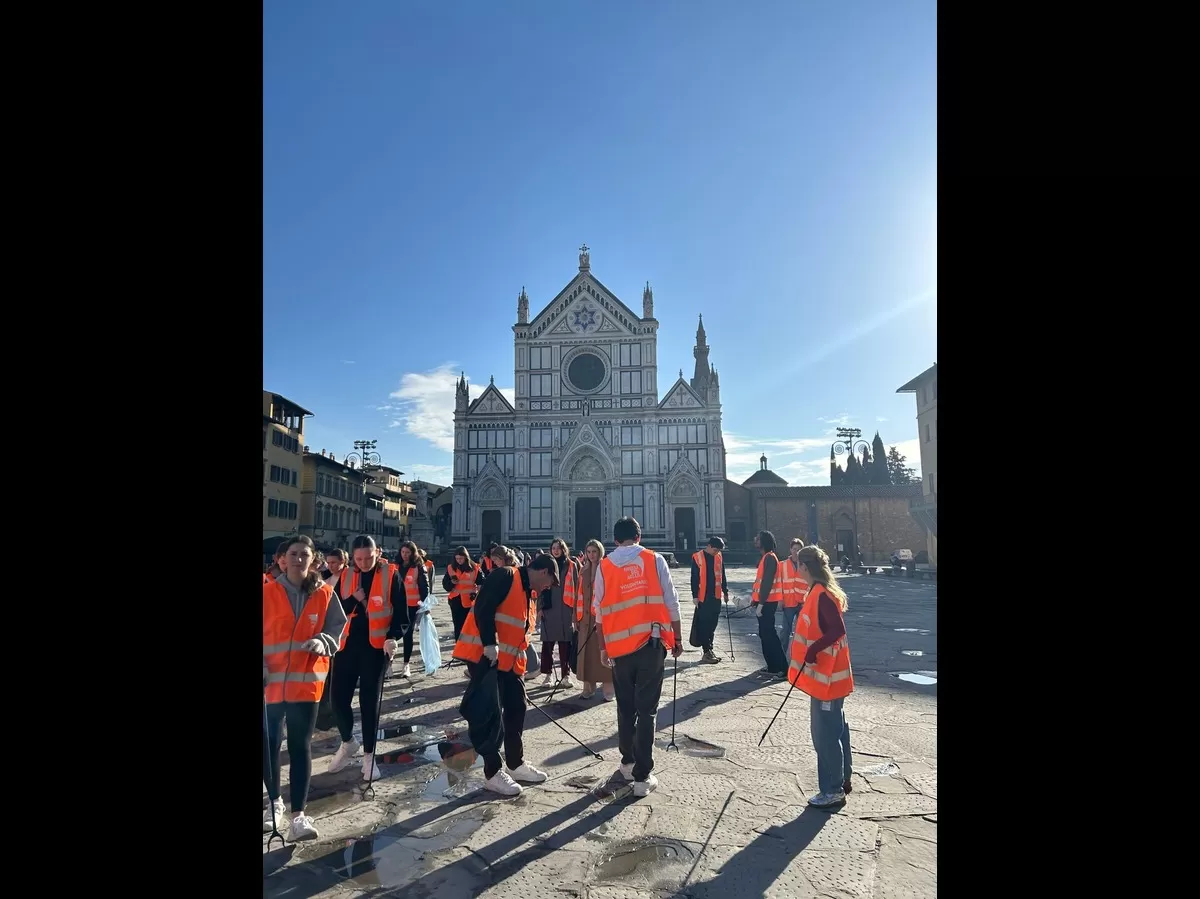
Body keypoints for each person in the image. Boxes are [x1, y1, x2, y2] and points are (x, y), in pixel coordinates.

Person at [263, 534, 348, 841]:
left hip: (305, 685)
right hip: (269, 685)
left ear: (314, 560)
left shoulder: (325, 593)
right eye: (294, 553)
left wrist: (324, 642)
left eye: (305, 554)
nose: (299, 559)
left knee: (300, 747)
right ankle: (273, 803)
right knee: (269, 745)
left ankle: (299, 816)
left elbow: (336, 628)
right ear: (282, 560)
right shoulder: (266, 592)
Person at [451, 548, 556, 796]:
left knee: (517, 707)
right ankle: (492, 773)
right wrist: (489, 643)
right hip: (485, 657)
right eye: (551, 581)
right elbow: (483, 609)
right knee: (490, 716)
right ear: (543, 572)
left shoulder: (528, 592)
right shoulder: (506, 576)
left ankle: (515, 763)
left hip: (509, 663)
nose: (548, 587)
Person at [594, 517, 683, 797]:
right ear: (639, 535)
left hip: (619, 648)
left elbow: (599, 611)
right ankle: (642, 778)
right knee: (647, 710)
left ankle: (627, 761)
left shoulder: (604, 566)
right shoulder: (655, 560)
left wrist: (603, 647)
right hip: (650, 645)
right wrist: (678, 638)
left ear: (615, 539)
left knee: (625, 706)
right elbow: (671, 601)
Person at [326, 535, 410, 781]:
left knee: (369, 702)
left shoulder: (390, 574)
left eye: (369, 558)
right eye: (359, 559)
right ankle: (347, 742)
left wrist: (394, 636)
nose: (364, 563)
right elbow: (335, 607)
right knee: (337, 700)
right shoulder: (345, 575)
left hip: (376, 647)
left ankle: (369, 756)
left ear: (378, 553)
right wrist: (356, 598)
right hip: (347, 645)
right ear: (352, 557)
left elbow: (401, 612)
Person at [787, 545, 855, 808]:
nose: (797, 571)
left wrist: (813, 649)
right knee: (836, 730)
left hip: (827, 680)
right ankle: (843, 779)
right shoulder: (818, 592)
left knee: (824, 735)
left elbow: (836, 629)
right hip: (829, 678)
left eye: (798, 566)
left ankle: (832, 789)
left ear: (804, 567)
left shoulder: (821, 596)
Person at [572, 538, 614, 700]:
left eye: (594, 552)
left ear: (600, 552)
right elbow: (577, 595)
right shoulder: (583, 570)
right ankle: (588, 688)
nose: (591, 555)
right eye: (588, 552)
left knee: (603, 652)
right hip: (585, 620)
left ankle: (608, 688)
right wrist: (575, 616)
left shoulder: (607, 568)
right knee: (586, 655)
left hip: (602, 618)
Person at [538, 537, 577, 689]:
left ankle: (565, 676)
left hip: (565, 608)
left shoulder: (571, 565)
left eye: (558, 548)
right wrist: (539, 608)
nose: (555, 551)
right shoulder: (544, 566)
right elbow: (538, 588)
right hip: (549, 608)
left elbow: (576, 586)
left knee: (565, 644)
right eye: (553, 548)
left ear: (563, 549)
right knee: (547, 644)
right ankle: (547, 676)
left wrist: (575, 611)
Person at [751, 530, 788, 677]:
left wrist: (761, 604)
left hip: (767, 603)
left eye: (758, 539)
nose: (756, 541)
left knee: (770, 635)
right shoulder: (766, 558)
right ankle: (772, 666)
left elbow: (767, 583)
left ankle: (782, 668)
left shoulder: (770, 558)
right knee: (764, 634)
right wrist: (756, 601)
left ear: (764, 541)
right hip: (764, 602)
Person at [690, 536, 730, 663]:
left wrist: (725, 591)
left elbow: (722, 574)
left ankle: (709, 649)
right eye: (715, 550)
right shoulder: (697, 557)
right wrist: (695, 596)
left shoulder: (719, 557)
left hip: (716, 596)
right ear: (709, 546)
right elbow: (694, 578)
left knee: (713, 624)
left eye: (718, 550)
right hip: (703, 597)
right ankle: (707, 650)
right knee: (705, 624)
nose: (717, 552)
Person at [395, 541, 430, 677]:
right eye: (403, 552)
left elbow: (424, 587)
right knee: (392, 634)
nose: (405, 555)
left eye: (408, 552)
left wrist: (425, 604)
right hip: (396, 604)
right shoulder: (394, 565)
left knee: (408, 634)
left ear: (413, 553)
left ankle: (406, 665)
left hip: (412, 604)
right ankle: (389, 663)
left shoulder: (418, 567)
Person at [443, 546, 482, 643]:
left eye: (461, 558)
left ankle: (468, 649)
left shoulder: (475, 568)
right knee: (457, 626)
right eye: (457, 559)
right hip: (455, 600)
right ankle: (458, 648)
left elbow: (482, 583)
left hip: (469, 601)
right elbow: (446, 585)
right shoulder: (451, 568)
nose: (459, 561)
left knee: (469, 626)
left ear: (466, 557)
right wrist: (452, 583)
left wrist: (478, 594)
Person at [779, 538, 808, 645]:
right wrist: (780, 600)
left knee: (803, 632)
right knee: (785, 631)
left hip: (803, 603)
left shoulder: (806, 566)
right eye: (794, 549)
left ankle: (801, 657)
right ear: (790, 550)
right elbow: (779, 584)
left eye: (799, 549)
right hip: (788, 603)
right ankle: (781, 657)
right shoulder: (782, 565)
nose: (796, 552)